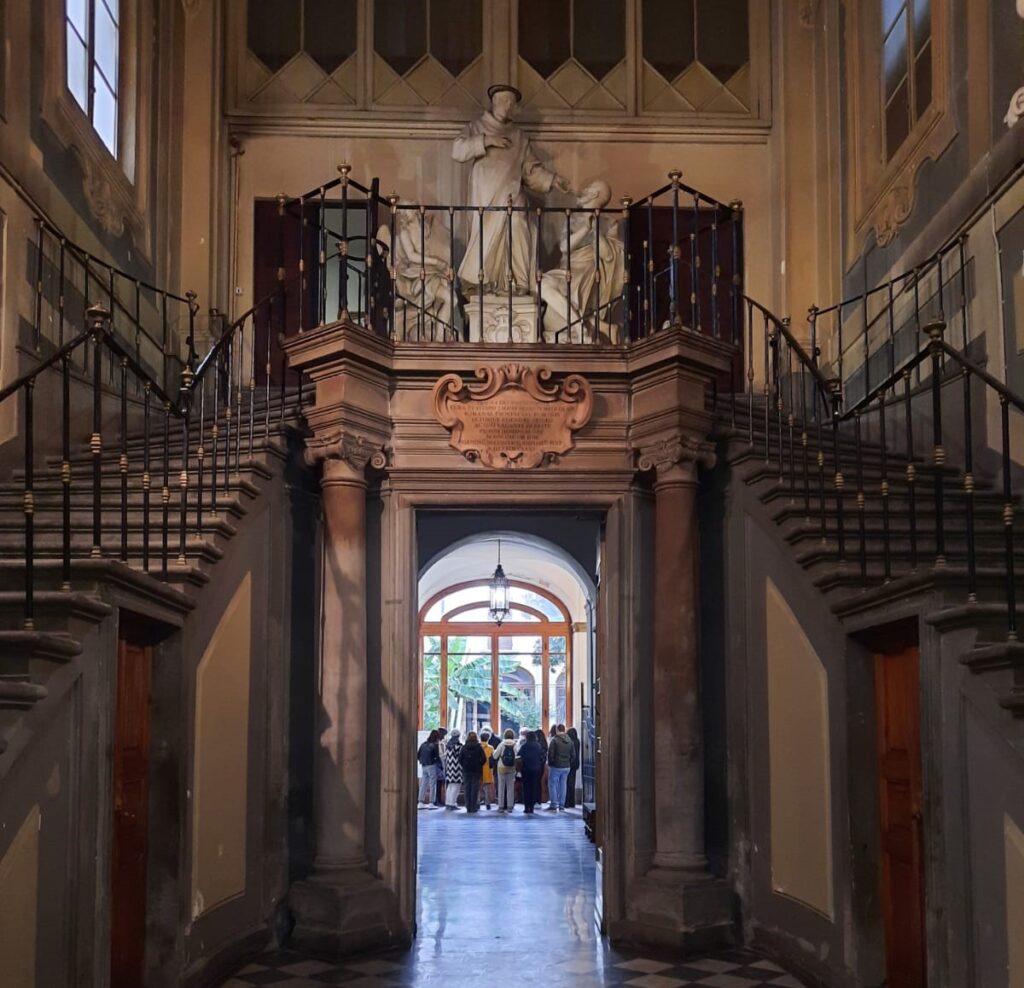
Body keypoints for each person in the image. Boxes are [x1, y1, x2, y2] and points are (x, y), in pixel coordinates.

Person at [452, 84, 570, 294]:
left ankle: (520, 283)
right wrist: (485, 141)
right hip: (486, 196)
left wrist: (551, 179)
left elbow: (529, 169)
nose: (507, 106)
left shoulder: (519, 137)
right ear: (494, 102)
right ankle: (487, 283)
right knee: (486, 239)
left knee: (518, 224)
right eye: (503, 101)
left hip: (513, 193)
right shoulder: (476, 127)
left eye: (511, 103)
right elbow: (458, 151)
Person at [547, 724, 574, 812]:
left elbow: (550, 754)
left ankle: (554, 804)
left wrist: (551, 763)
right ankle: (562, 805)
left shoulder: (554, 740)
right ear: (564, 730)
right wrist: (569, 762)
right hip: (566, 767)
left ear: (557, 730)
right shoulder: (570, 741)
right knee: (563, 785)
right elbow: (573, 755)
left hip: (556, 766)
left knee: (553, 784)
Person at [458, 731, 487, 813]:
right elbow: (484, 759)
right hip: (476, 771)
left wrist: (464, 765)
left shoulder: (464, 747)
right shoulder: (479, 747)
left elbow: (460, 759)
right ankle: (473, 807)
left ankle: (468, 807)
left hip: (466, 771)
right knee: (475, 789)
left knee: (467, 789)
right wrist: (479, 765)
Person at [518, 730, 545, 815]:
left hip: (525, 769)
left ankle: (526, 807)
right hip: (536, 769)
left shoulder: (524, 746)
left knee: (526, 788)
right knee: (534, 788)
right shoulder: (538, 746)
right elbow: (542, 757)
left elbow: (519, 755)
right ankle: (532, 808)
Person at [492, 728, 518, 813]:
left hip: (501, 768)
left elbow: (495, 756)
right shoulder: (515, 744)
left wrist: (495, 751)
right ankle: (510, 806)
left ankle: (501, 806)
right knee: (510, 787)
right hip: (511, 768)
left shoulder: (501, 744)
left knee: (501, 787)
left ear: (505, 735)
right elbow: (518, 756)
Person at [417, 730, 441, 807]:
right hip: (432, 765)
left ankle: (420, 802)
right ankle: (431, 802)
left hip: (423, 766)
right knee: (433, 784)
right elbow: (437, 757)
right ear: (437, 737)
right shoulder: (435, 745)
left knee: (423, 784)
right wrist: (441, 765)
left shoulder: (423, 744)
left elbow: (418, 755)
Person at [443, 730, 464, 810]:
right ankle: (452, 803)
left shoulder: (448, 745)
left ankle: (448, 803)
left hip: (449, 768)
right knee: (456, 786)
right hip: (457, 768)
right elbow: (461, 757)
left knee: (450, 786)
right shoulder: (459, 746)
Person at [479, 730, 496, 810]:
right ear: (488, 739)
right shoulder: (491, 748)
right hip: (487, 769)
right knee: (487, 788)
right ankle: (487, 803)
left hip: (478, 769)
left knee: (478, 787)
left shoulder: (477, 746)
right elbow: (493, 758)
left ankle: (477, 802)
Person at [565, 726, 581, 809]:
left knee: (567, 783)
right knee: (572, 783)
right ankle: (572, 802)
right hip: (575, 764)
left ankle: (567, 802)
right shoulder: (577, 741)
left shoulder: (569, 742)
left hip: (569, 764)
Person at [434, 727, 448, 806]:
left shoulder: (441, 743)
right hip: (437, 766)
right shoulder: (436, 743)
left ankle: (439, 799)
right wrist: (446, 753)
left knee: (440, 783)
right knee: (437, 783)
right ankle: (436, 800)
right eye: (443, 734)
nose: (444, 736)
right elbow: (440, 755)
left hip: (441, 765)